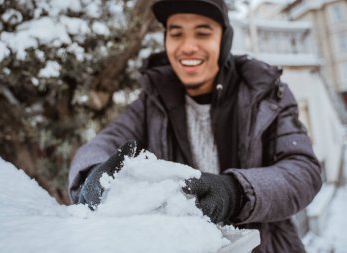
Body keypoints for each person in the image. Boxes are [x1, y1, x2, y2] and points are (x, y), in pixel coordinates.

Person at [68, 0, 322, 252]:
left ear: (224, 40)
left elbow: (302, 170)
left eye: (202, 33)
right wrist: (91, 172)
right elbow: (105, 141)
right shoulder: (152, 100)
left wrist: (236, 192)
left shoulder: (265, 92)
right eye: (176, 33)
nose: (188, 47)